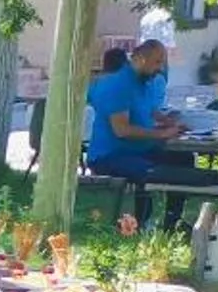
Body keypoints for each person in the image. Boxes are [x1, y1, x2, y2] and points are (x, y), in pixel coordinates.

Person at [86, 37, 207, 227]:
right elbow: (122, 130)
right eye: (157, 62)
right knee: (152, 172)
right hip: (110, 155)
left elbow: (149, 110)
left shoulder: (143, 82)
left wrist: (168, 123)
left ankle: (172, 221)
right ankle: (140, 224)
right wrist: (162, 134)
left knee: (184, 160)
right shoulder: (119, 85)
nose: (160, 68)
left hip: (138, 149)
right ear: (141, 58)